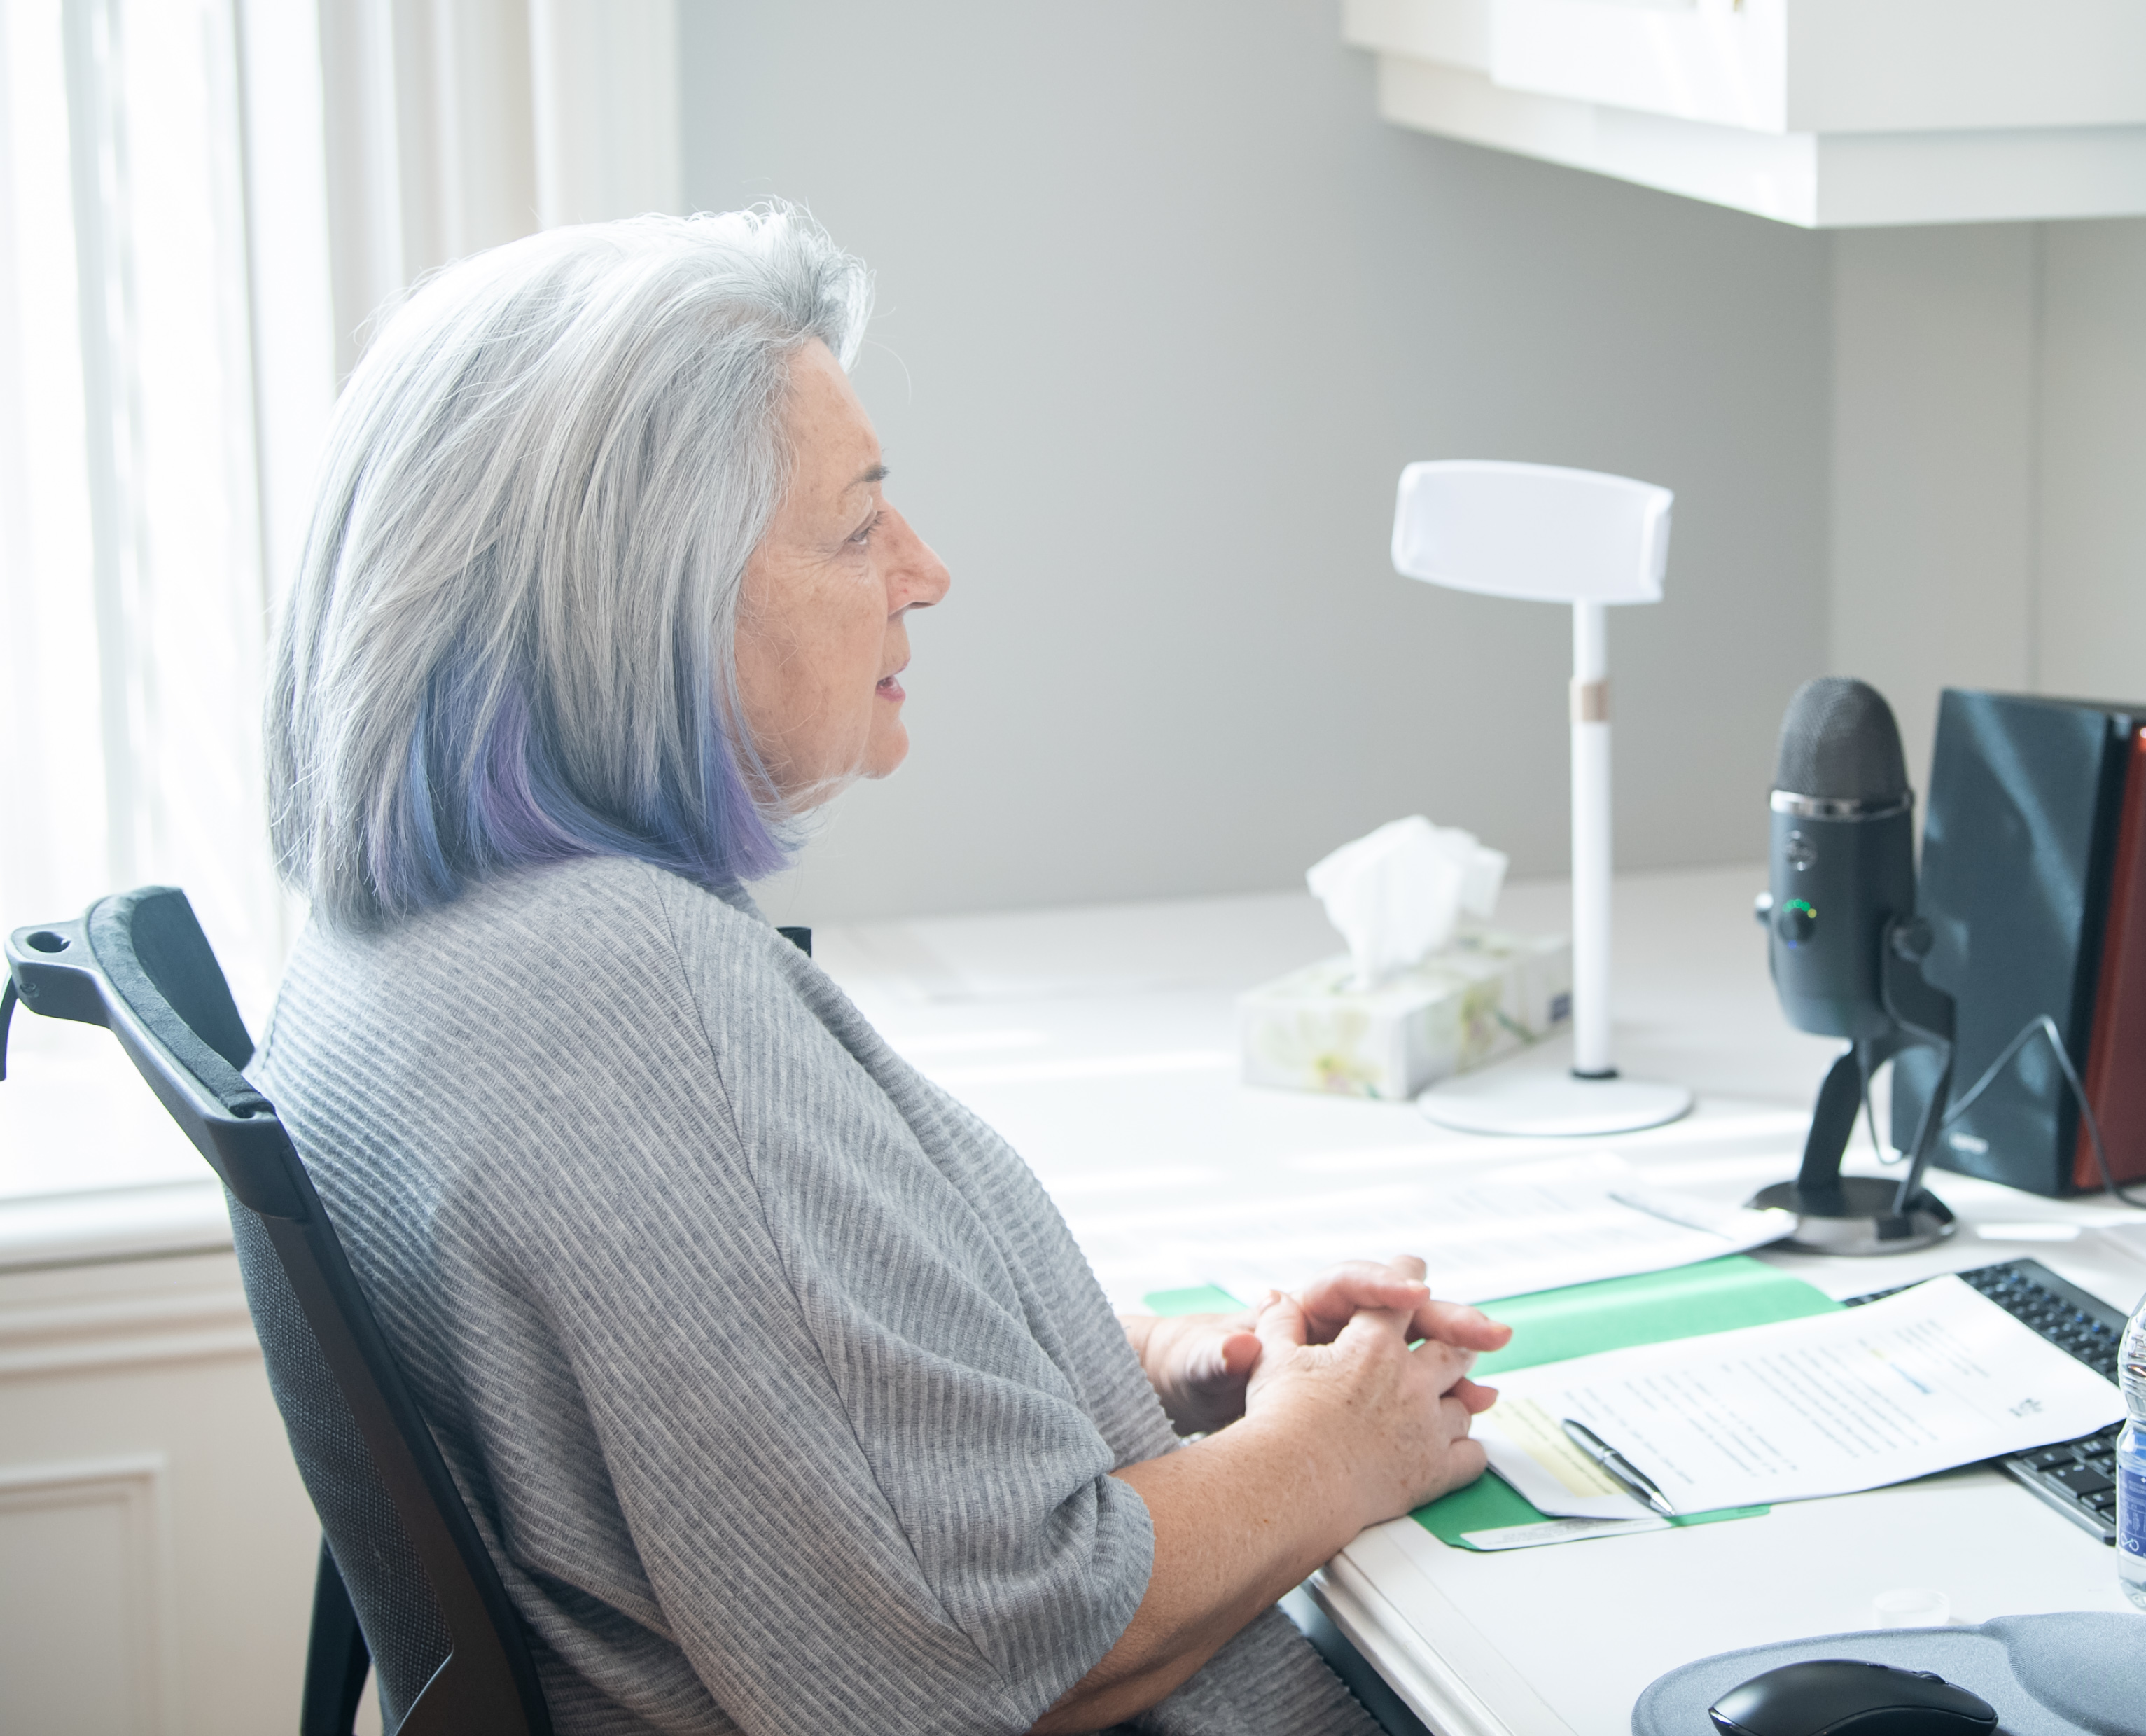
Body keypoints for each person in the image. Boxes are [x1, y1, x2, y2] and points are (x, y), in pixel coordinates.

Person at [255, 210, 1500, 1735]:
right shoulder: (632, 1005)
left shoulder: (407, 947)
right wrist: (1330, 1452)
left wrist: (1171, 1365)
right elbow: (1000, 1646)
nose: (926, 571)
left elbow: (784, 1401)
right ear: (646, 599)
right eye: (856, 530)